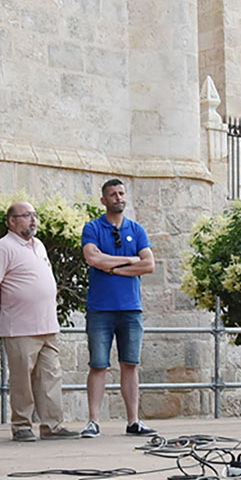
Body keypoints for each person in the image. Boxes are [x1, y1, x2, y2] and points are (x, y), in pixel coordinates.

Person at [0, 202, 78, 442]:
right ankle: (21, 425)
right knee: (22, 379)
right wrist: (7, 304)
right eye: (26, 215)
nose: (33, 220)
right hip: (20, 326)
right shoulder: (3, 247)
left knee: (50, 377)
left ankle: (52, 426)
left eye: (35, 215)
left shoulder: (39, 245)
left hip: (48, 325)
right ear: (12, 221)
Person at [80, 179, 157, 438]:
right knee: (98, 364)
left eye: (121, 193)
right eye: (112, 194)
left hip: (131, 308)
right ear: (104, 200)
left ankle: (133, 420)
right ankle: (93, 421)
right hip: (100, 309)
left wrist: (111, 267)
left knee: (130, 364)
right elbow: (92, 257)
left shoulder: (136, 230)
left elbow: (148, 265)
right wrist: (128, 261)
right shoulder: (93, 228)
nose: (118, 197)